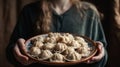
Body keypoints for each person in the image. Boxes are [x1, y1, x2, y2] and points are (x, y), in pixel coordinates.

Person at [6, 0, 108, 67]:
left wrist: (99, 56)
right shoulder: (29, 11)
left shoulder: (89, 13)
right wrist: (16, 53)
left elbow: (102, 56)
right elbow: (10, 52)